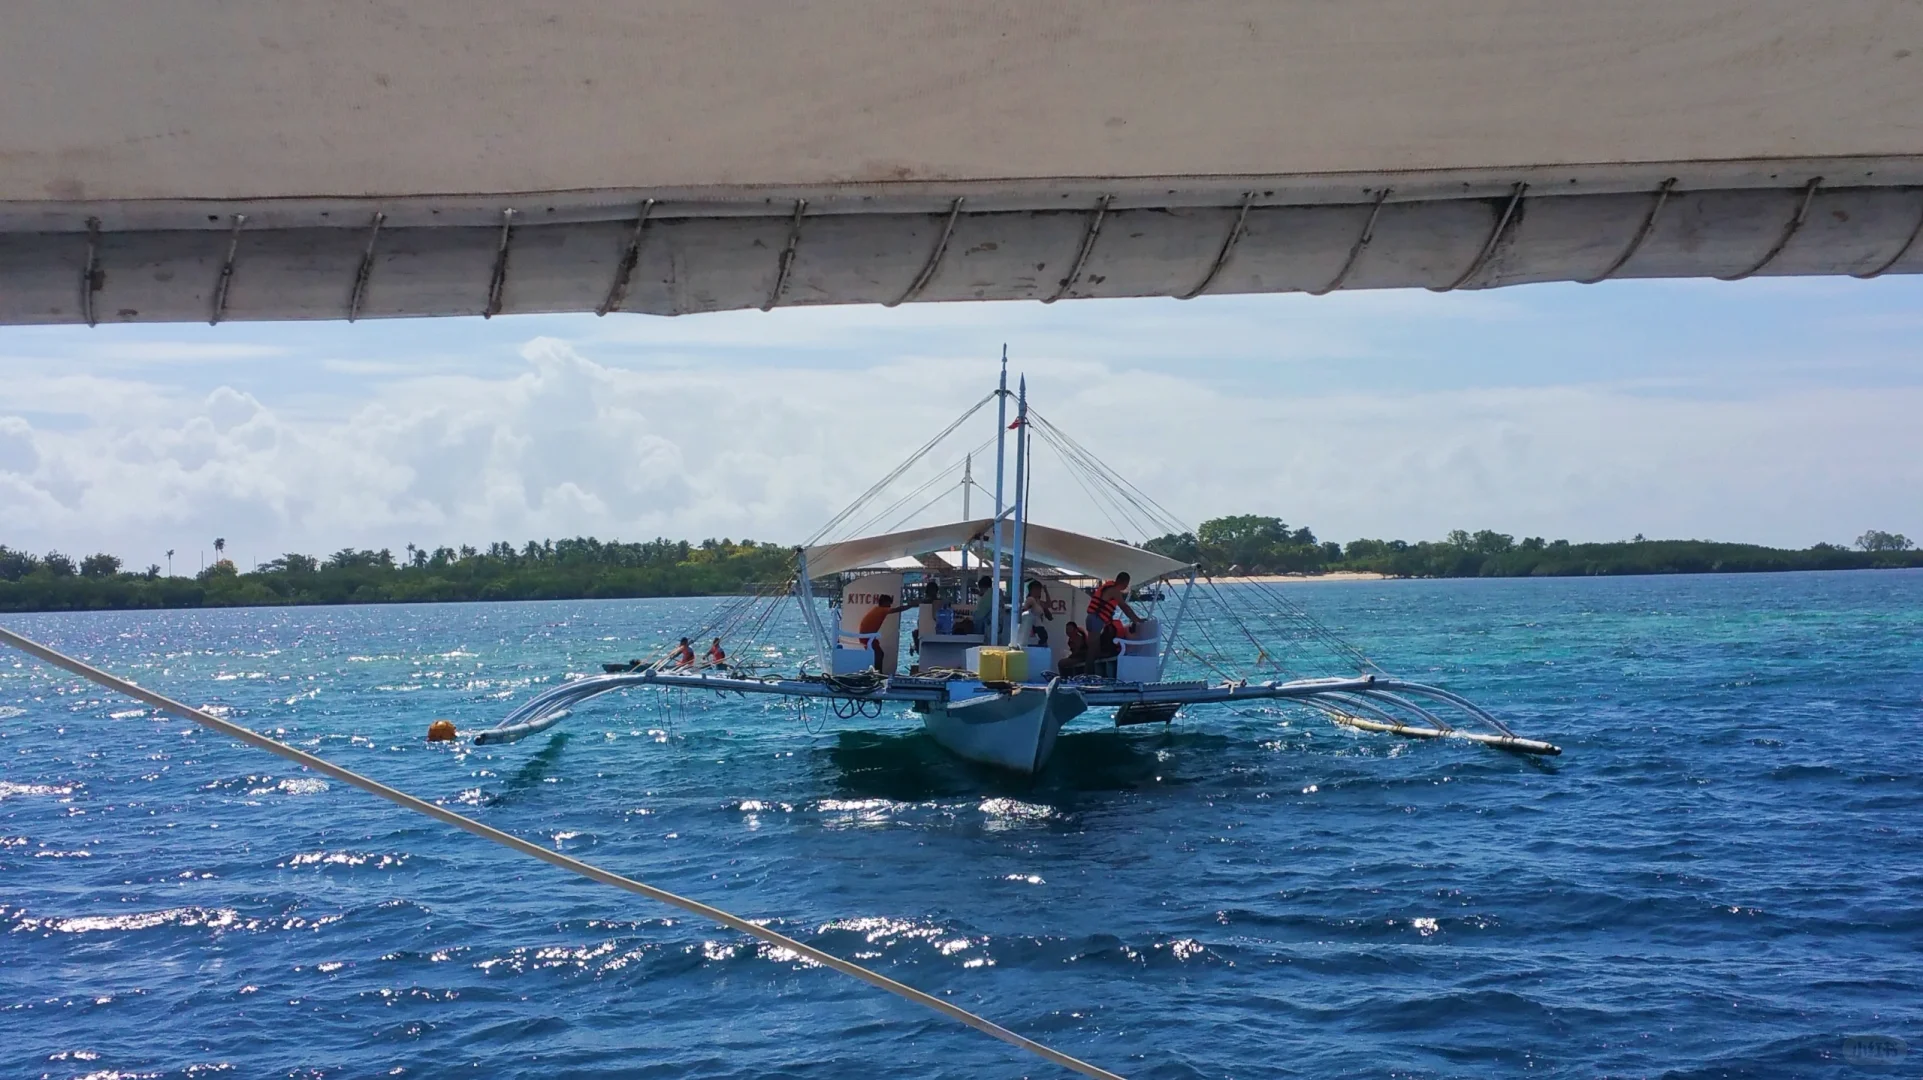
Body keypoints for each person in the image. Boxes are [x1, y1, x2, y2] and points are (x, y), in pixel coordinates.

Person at [1084, 571, 1140, 664]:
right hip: (1096, 620)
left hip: (1091, 618)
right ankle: (1087, 674)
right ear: (1123, 582)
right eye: (1126, 584)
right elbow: (1124, 607)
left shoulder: (1108, 587)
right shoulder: (1114, 591)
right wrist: (1136, 619)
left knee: (1095, 649)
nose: (1126, 586)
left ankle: (1092, 673)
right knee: (1092, 650)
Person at [857, 593, 913, 670]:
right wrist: (911, 605)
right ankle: (877, 673)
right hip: (867, 637)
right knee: (879, 654)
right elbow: (897, 609)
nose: (890, 606)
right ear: (884, 603)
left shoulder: (876, 609)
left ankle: (877, 671)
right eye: (889, 603)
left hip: (867, 636)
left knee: (879, 653)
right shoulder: (882, 610)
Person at [1018, 579, 1054, 648]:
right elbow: (1024, 609)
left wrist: (1046, 591)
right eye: (1036, 589)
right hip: (1033, 628)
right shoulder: (1030, 600)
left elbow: (1049, 604)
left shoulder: (1039, 602)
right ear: (1031, 590)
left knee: (1043, 639)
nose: (1038, 591)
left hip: (1039, 627)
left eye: (1039, 589)